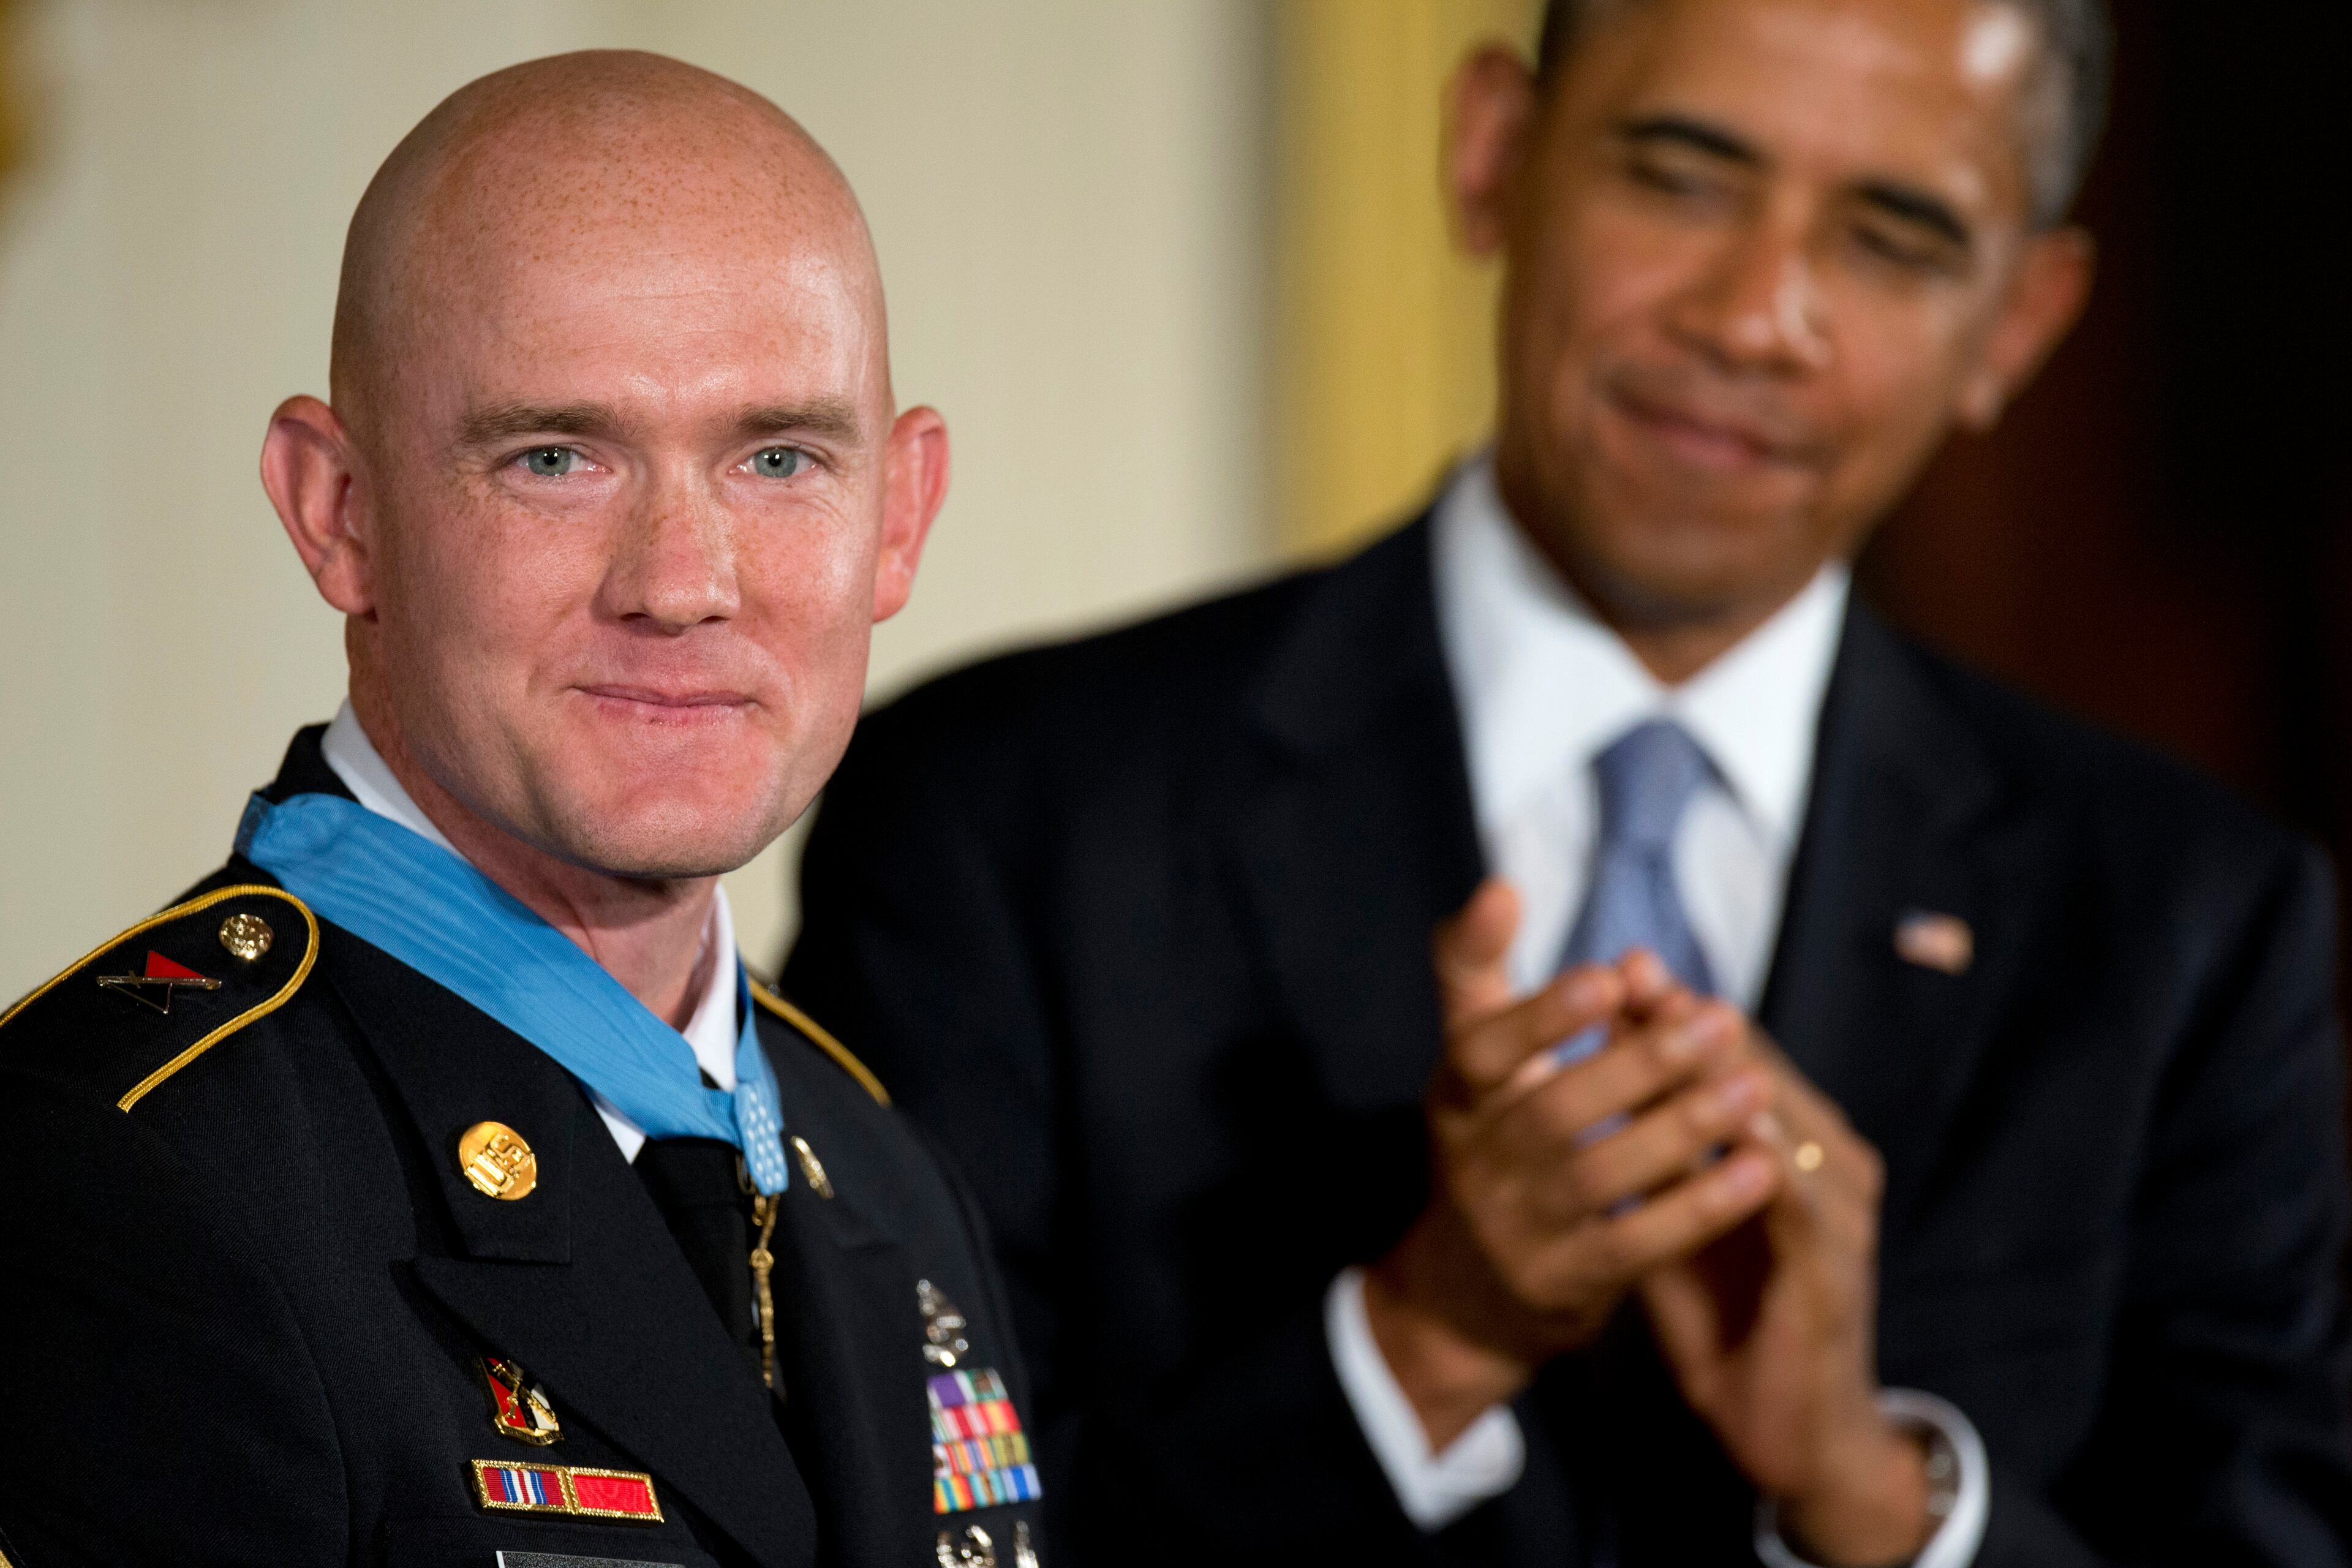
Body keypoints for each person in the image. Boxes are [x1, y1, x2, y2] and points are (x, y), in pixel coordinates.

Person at [784, 0, 2352, 1563]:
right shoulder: (1004, 813)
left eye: (1893, 238)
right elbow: (875, 1523)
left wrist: (1872, 1488)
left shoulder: (2191, 922)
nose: (1757, 314)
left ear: (2018, 321)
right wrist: (1429, 1339)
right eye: (1683, 176)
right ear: (1494, 157)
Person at [0, 51, 1049, 1568]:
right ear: (337, 511)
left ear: (902, 515)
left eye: (780, 457)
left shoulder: (878, 1161)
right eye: (554, 458)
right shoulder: (118, 1178)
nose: (682, 583)